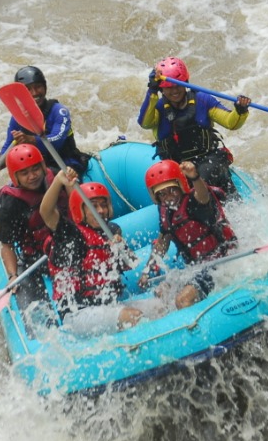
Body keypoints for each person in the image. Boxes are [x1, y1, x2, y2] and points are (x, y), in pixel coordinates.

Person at [39, 167, 147, 333]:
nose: (101, 211)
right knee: (133, 316)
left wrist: (121, 248)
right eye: (93, 206)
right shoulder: (71, 234)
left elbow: (130, 264)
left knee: (158, 308)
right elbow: (46, 212)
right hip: (77, 315)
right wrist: (58, 181)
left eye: (103, 205)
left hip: (108, 306)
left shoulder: (112, 230)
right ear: (80, 210)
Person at [136, 57, 250, 196]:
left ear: (185, 83)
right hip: (177, 165)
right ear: (161, 89)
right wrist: (152, 91)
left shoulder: (203, 100)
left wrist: (240, 110)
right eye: (168, 88)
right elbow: (144, 123)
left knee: (205, 175)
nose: (174, 91)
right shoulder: (158, 108)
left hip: (208, 158)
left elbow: (230, 123)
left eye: (178, 85)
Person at [139, 159, 237, 309]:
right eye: (162, 194)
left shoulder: (194, 201)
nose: (168, 197)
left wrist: (195, 177)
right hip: (196, 268)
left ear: (180, 186)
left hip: (220, 263)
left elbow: (203, 195)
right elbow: (162, 244)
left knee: (183, 300)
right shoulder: (165, 211)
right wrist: (146, 271)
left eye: (172, 190)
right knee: (161, 291)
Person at [0, 144, 65, 313]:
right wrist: (12, 276)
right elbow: (7, 246)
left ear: (43, 166)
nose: (32, 176)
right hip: (37, 256)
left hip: (64, 239)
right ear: (14, 176)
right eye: (25, 173)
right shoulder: (10, 205)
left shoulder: (55, 176)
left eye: (35, 169)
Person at [0, 66, 88, 178]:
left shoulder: (59, 111)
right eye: (28, 89)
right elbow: (9, 146)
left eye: (38, 86)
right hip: (38, 169)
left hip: (67, 163)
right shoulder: (17, 118)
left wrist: (31, 140)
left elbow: (56, 140)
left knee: (47, 177)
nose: (34, 93)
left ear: (45, 87)